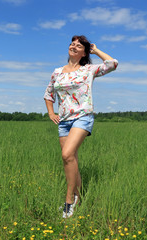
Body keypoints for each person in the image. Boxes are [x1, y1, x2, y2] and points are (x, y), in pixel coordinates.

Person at [44, 35, 118, 218]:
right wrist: (51, 113)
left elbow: (112, 63)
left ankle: (69, 201)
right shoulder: (57, 72)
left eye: (78, 45)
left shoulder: (88, 70)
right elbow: (48, 94)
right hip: (64, 120)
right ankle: (78, 196)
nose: (74, 47)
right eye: (72, 44)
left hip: (82, 117)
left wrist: (95, 49)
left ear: (84, 52)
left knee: (67, 154)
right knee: (70, 159)